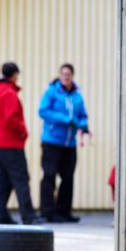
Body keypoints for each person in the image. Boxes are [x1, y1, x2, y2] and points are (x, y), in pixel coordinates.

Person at [0, 62, 44, 225]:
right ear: (14, 75)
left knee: (4, 180)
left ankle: (0, 216)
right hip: (10, 144)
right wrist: (23, 132)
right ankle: (28, 216)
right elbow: (11, 119)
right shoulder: (9, 93)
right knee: (21, 179)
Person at [38, 63, 89, 223]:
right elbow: (43, 111)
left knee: (68, 177)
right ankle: (47, 212)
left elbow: (82, 115)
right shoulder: (52, 91)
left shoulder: (77, 96)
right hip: (52, 141)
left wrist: (83, 124)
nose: (66, 77)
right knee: (49, 175)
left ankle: (63, 212)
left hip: (70, 144)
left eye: (68, 74)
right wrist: (66, 119)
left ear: (72, 76)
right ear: (60, 76)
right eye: (63, 74)